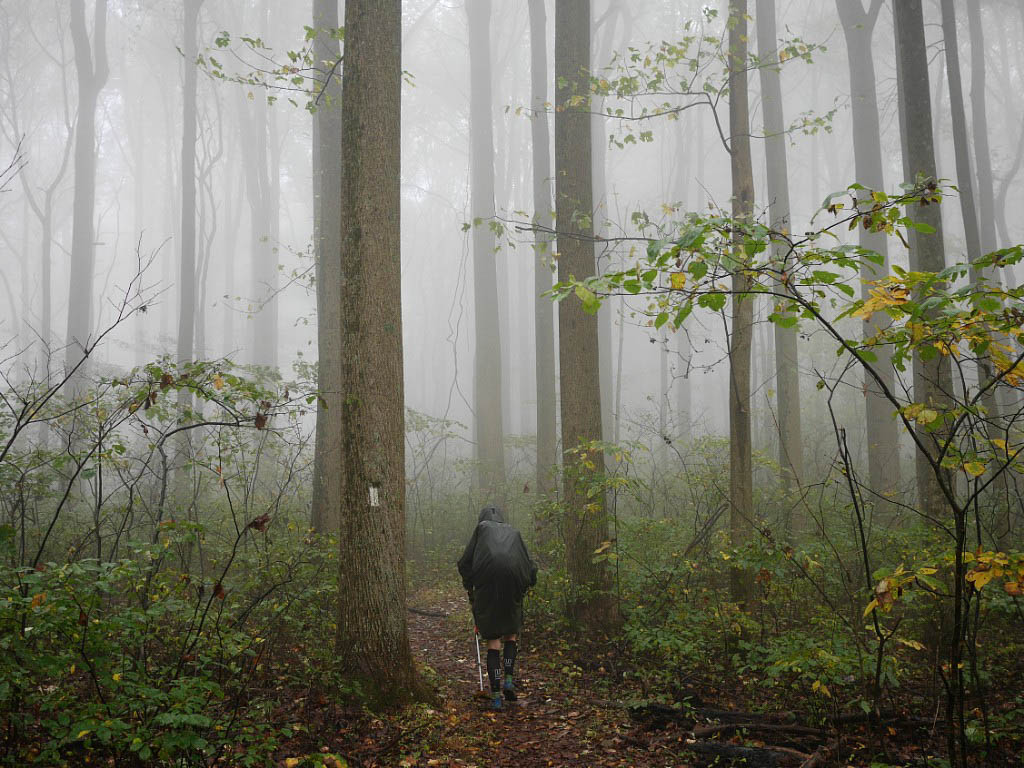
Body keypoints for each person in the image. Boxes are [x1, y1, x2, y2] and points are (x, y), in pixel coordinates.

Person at [457, 506, 537, 710]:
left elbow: (464, 563)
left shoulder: (481, 529)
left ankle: (495, 696)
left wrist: (471, 588)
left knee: (493, 641)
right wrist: (526, 585)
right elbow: (530, 566)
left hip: (487, 585)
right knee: (510, 634)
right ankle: (508, 680)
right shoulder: (513, 532)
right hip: (513, 585)